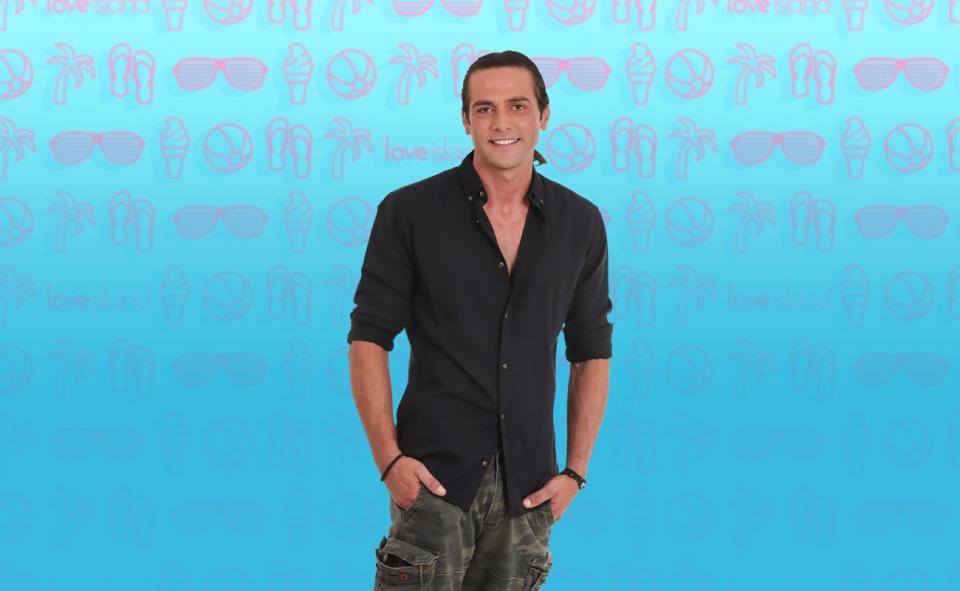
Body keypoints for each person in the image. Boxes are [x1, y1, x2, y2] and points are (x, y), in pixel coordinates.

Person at [347, 49, 613, 590]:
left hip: (530, 491)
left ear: (544, 114)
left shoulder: (580, 223)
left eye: (518, 106)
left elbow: (590, 350)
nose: (501, 123)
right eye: (484, 109)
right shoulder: (409, 212)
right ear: (466, 120)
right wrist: (389, 461)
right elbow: (369, 336)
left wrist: (575, 472)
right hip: (433, 481)